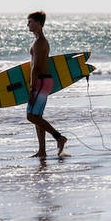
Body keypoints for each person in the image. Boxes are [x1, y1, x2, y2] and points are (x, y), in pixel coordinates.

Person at [25, 10, 67, 158]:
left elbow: (35, 67)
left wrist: (31, 88)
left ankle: (59, 137)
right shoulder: (38, 41)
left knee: (31, 116)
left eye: (30, 21)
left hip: (41, 81)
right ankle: (42, 150)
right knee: (37, 116)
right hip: (43, 80)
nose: (28, 24)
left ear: (38, 23)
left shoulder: (39, 42)